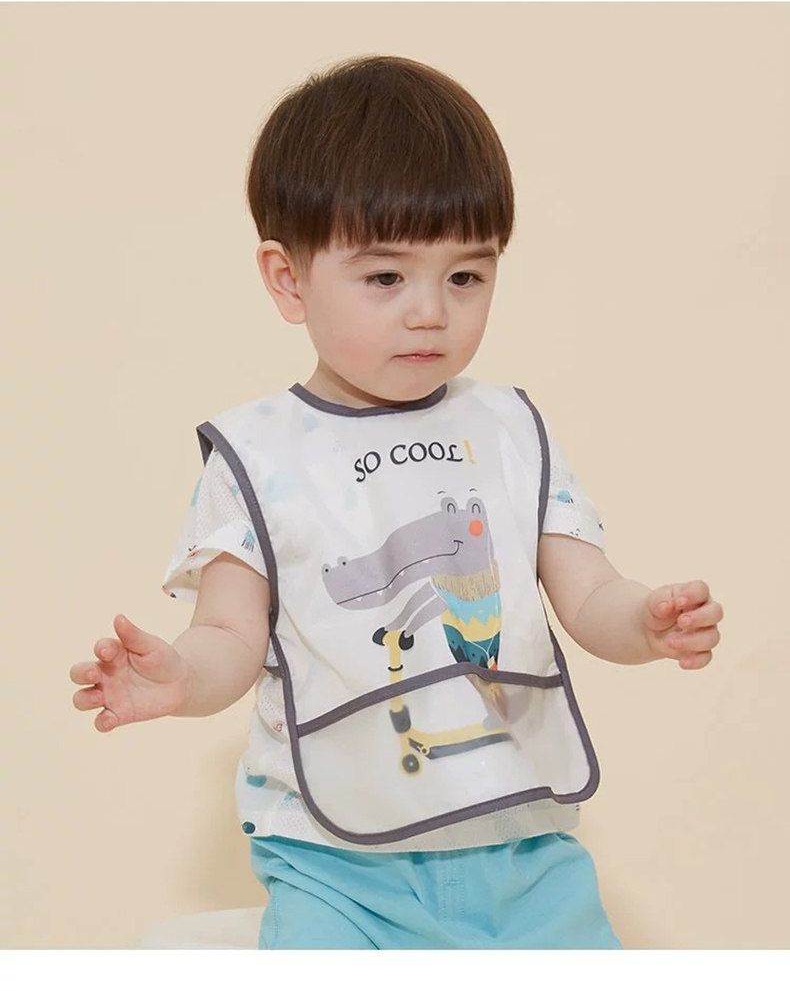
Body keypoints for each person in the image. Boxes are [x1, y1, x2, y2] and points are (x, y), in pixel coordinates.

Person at [69, 55, 723, 950]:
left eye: (466, 277)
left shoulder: (508, 429)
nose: (430, 313)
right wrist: (182, 676)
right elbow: (228, 633)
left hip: (522, 851)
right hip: (336, 869)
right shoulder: (258, 457)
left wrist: (643, 623)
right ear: (288, 279)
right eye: (386, 278)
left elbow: (589, 592)